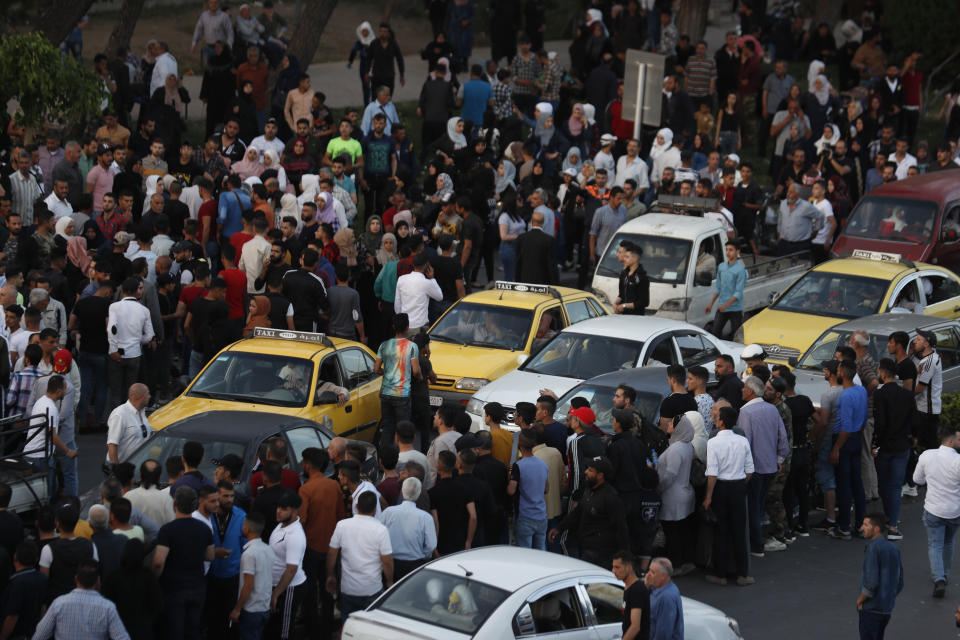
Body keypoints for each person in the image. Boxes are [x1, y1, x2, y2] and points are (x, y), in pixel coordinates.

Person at [153, 486, 215, 640]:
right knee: (193, 629)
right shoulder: (204, 528)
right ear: (195, 504)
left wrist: (154, 579)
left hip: (174, 588)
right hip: (198, 586)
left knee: (174, 630)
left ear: (175, 504)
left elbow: (158, 562)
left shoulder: (167, 530)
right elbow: (210, 556)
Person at [703, 405, 754, 586]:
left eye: (717, 417)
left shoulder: (713, 442)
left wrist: (708, 496)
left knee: (721, 532)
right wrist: (740, 484)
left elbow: (712, 473)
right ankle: (743, 573)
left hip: (721, 489)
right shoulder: (742, 441)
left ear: (722, 421)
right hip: (739, 487)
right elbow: (749, 470)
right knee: (739, 532)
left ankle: (721, 573)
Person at [738, 375, 789, 556]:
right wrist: (779, 459)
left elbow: (744, 443)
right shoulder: (772, 410)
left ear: (750, 391)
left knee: (752, 506)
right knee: (758, 505)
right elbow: (782, 438)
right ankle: (757, 541)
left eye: (744, 387)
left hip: (754, 468)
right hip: (770, 466)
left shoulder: (745, 412)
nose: (742, 390)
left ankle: (756, 545)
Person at [548, 457, 629, 568]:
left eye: (590, 470)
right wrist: (559, 528)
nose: (586, 472)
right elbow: (578, 512)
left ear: (600, 475)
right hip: (586, 548)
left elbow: (621, 527)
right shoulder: (589, 490)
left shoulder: (610, 497)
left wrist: (623, 558)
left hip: (602, 555)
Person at [297, 447, 344, 639]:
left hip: (311, 547)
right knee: (328, 589)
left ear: (307, 465)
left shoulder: (305, 489)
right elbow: (341, 516)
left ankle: (312, 629)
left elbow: (302, 520)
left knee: (309, 591)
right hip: (331, 546)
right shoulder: (334, 486)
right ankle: (326, 628)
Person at [326, 491, 393, 619]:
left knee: (348, 628)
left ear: (356, 507)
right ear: (374, 511)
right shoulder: (381, 530)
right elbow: (387, 561)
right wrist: (389, 581)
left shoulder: (342, 525)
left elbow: (331, 553)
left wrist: (330, 575)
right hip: (372, 589)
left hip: (348, 589)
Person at [913, 423, 960, 599]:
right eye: (958, 438)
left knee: (935, 544)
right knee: (948, 542)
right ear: (950, 440)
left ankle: (938, 579)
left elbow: (917, 479)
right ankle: (945, 574)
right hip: (954, 510)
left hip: (933, 508)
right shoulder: (958, 461)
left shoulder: (927, 456)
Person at [32, 559, 129, 640]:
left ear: (76, 579)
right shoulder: (108, 608)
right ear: (97, 581)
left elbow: (39, 636)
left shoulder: (59, 604)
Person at [873, 358, 914, 540]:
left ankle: (890, 517)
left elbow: (880, 423)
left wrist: (877, 443)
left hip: (886, 447)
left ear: (882, 372)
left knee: (884, 484)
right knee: (896, 486)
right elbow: (914, 420)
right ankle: (892, 524)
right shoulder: (906, 394)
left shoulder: (880, 394)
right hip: (902, 445)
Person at [829, 360, 868, 541]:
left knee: (844, 485)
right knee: (857, 483)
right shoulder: (861, 391)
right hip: (856, 438)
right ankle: (860, 525)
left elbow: (844, 426)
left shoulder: (845, 396)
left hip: (844, 440)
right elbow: (864, 417)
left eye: (837, 369)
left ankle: (844, 526)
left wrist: (836, 449)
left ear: (842, 374)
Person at [265, 490, 307, 640]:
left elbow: (291, 570)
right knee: (274, 627)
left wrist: (276, 594)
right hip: (277, 585)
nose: (278, 511)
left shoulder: (295, 535)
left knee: (284, 630)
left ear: (295, 511)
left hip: (289, 589)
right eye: (278, 507)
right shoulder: (282, 525)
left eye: (284, 509)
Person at [375, 313, 421, 448]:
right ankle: (402, 458)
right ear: (407, 327)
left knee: (387, 428)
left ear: (393, 326)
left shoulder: (384, 345)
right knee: (403, 429)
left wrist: (387, 372)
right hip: (402, 394)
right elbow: (416, 370)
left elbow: (376, 369)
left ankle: (384, 458)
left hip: (385, 393)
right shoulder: (412, 346)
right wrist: (420, 378)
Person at [858, 512, 904, 639]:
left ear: (876, 529)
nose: (861, 528)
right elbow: (899, 582)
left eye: (866, 525)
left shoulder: (873, 548)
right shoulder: (893, 549)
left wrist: (860, 600)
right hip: (886, 609)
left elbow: (871, 583)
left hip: (871, 609)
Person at [229, 512, 274, 640]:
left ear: (247, 528)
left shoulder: (249, 554)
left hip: (251, 610)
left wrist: (237, 609)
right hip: (264, 607)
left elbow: (248, 585)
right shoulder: (268, 549)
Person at [380, 477, 436, 578]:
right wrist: (423, 556)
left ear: (401, 492)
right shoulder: (426, 517)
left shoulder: (388, 512)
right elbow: (431, 546)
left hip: (391, 563)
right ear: (419, 495)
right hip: (415, 565)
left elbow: (378, 536)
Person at [429, 450, 477, 555]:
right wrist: (468, 541)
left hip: (442, 543)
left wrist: (434, 545)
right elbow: (473, 516)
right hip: (460, 541)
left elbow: (435, 521)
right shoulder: (464, 489)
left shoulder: (433, 492)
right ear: (454, 465)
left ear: (438, 467)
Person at [508, 430, 549, 550]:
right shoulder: (543, 464)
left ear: (519, 444)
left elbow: (511, 490)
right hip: (541, 515)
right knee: (541, 551)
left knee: (525, 555)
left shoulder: (519, 465)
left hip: (525, 516)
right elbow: (546, 489)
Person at [105, 383, 152, 465]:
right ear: (140, 396)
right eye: (147, 394)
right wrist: (116, 471)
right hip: (123, 471)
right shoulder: (120, 414)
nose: (149, 396)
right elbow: (112, 445)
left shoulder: (143, 411)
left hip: (138, 469)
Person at [706, 241, 745, 339]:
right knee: (715, 333)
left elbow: (738, 293)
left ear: (737, 252)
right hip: (721, 308)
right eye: (726, 250)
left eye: (731, 250)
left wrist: (726, 305)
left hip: (735, 309)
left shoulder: (740, 270)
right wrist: (710, 304)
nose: (728, 252)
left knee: (736, 336)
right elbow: (718, 288)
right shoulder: (721, 267)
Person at [645, 557, 683, 640]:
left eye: (653, 572)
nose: (648, 575)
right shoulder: (655, 587)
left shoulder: (666, 598)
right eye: (649, 570)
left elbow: (663, 634)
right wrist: (646, 586)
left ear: (663, 576)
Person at [514, 211, 558, 285]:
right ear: (543, 222)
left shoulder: (521, 238)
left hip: (524, 279)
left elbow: (518, 261)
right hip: (543, 280)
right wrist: (555, 283)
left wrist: (517, 279)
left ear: (531, 222)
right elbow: (551, 264)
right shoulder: (549, 240)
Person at [614, 241, 649, 315]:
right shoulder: (624, 274)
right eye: (624, 256)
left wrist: (625, 305)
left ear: (635, 259)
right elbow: (621, 294)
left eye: (627, 257)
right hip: (624, 316)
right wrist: (615, 304)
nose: (624, 259)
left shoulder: (642, 277)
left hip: (636, 317)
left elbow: (644, 302)